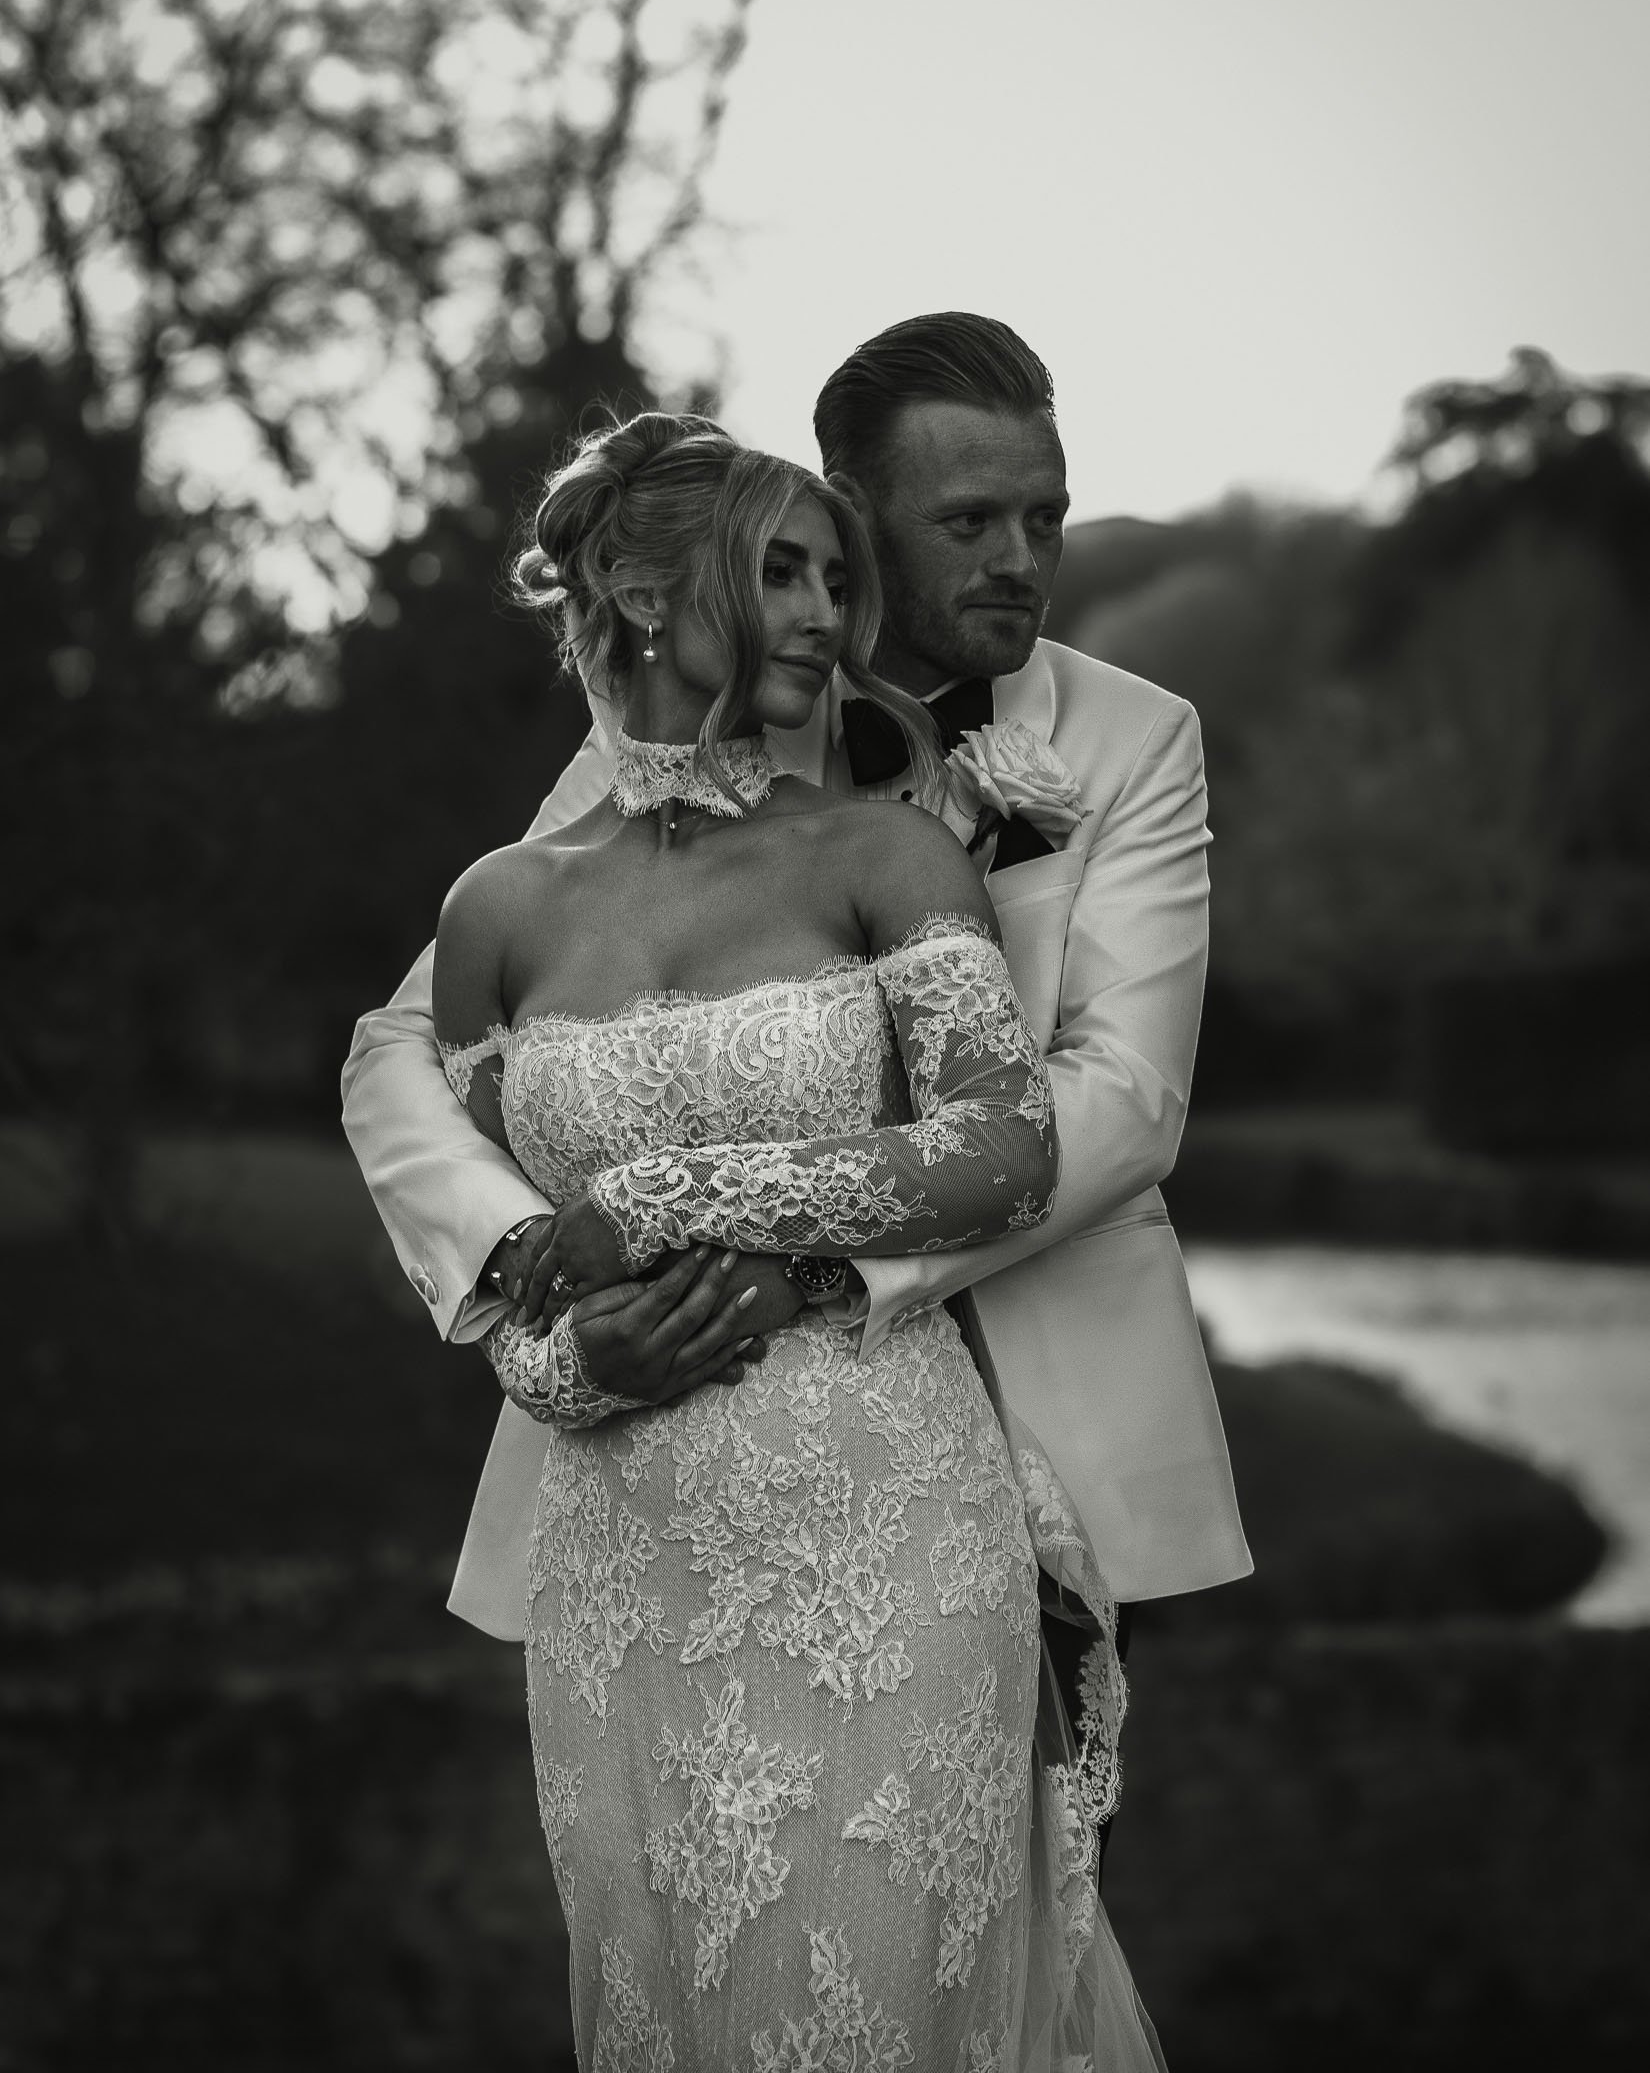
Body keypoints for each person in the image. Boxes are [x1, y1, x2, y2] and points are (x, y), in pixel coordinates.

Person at [364, 407, 1164, 2064]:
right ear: (652, 599)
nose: (825, 615)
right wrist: (554, 1364)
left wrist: (671, 1199)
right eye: (782, 574)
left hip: (882, 1524)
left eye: (833, 578)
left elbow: (1005, 1149)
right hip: (620, 1559)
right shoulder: (495, 907)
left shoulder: (883, 848)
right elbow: (471, 1188)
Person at [344, 312, 1250, 1764]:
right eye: (967, 521)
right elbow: (400, 1045)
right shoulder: (688, 697)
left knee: (987, 1914)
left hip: (1019, 1401)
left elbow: (1125, 1100)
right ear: (854, 515)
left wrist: (803, 1269)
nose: (1019, 560)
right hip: (651, 1429)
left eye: (1044, 515)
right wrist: (533, 1267)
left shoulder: (1134, 737)